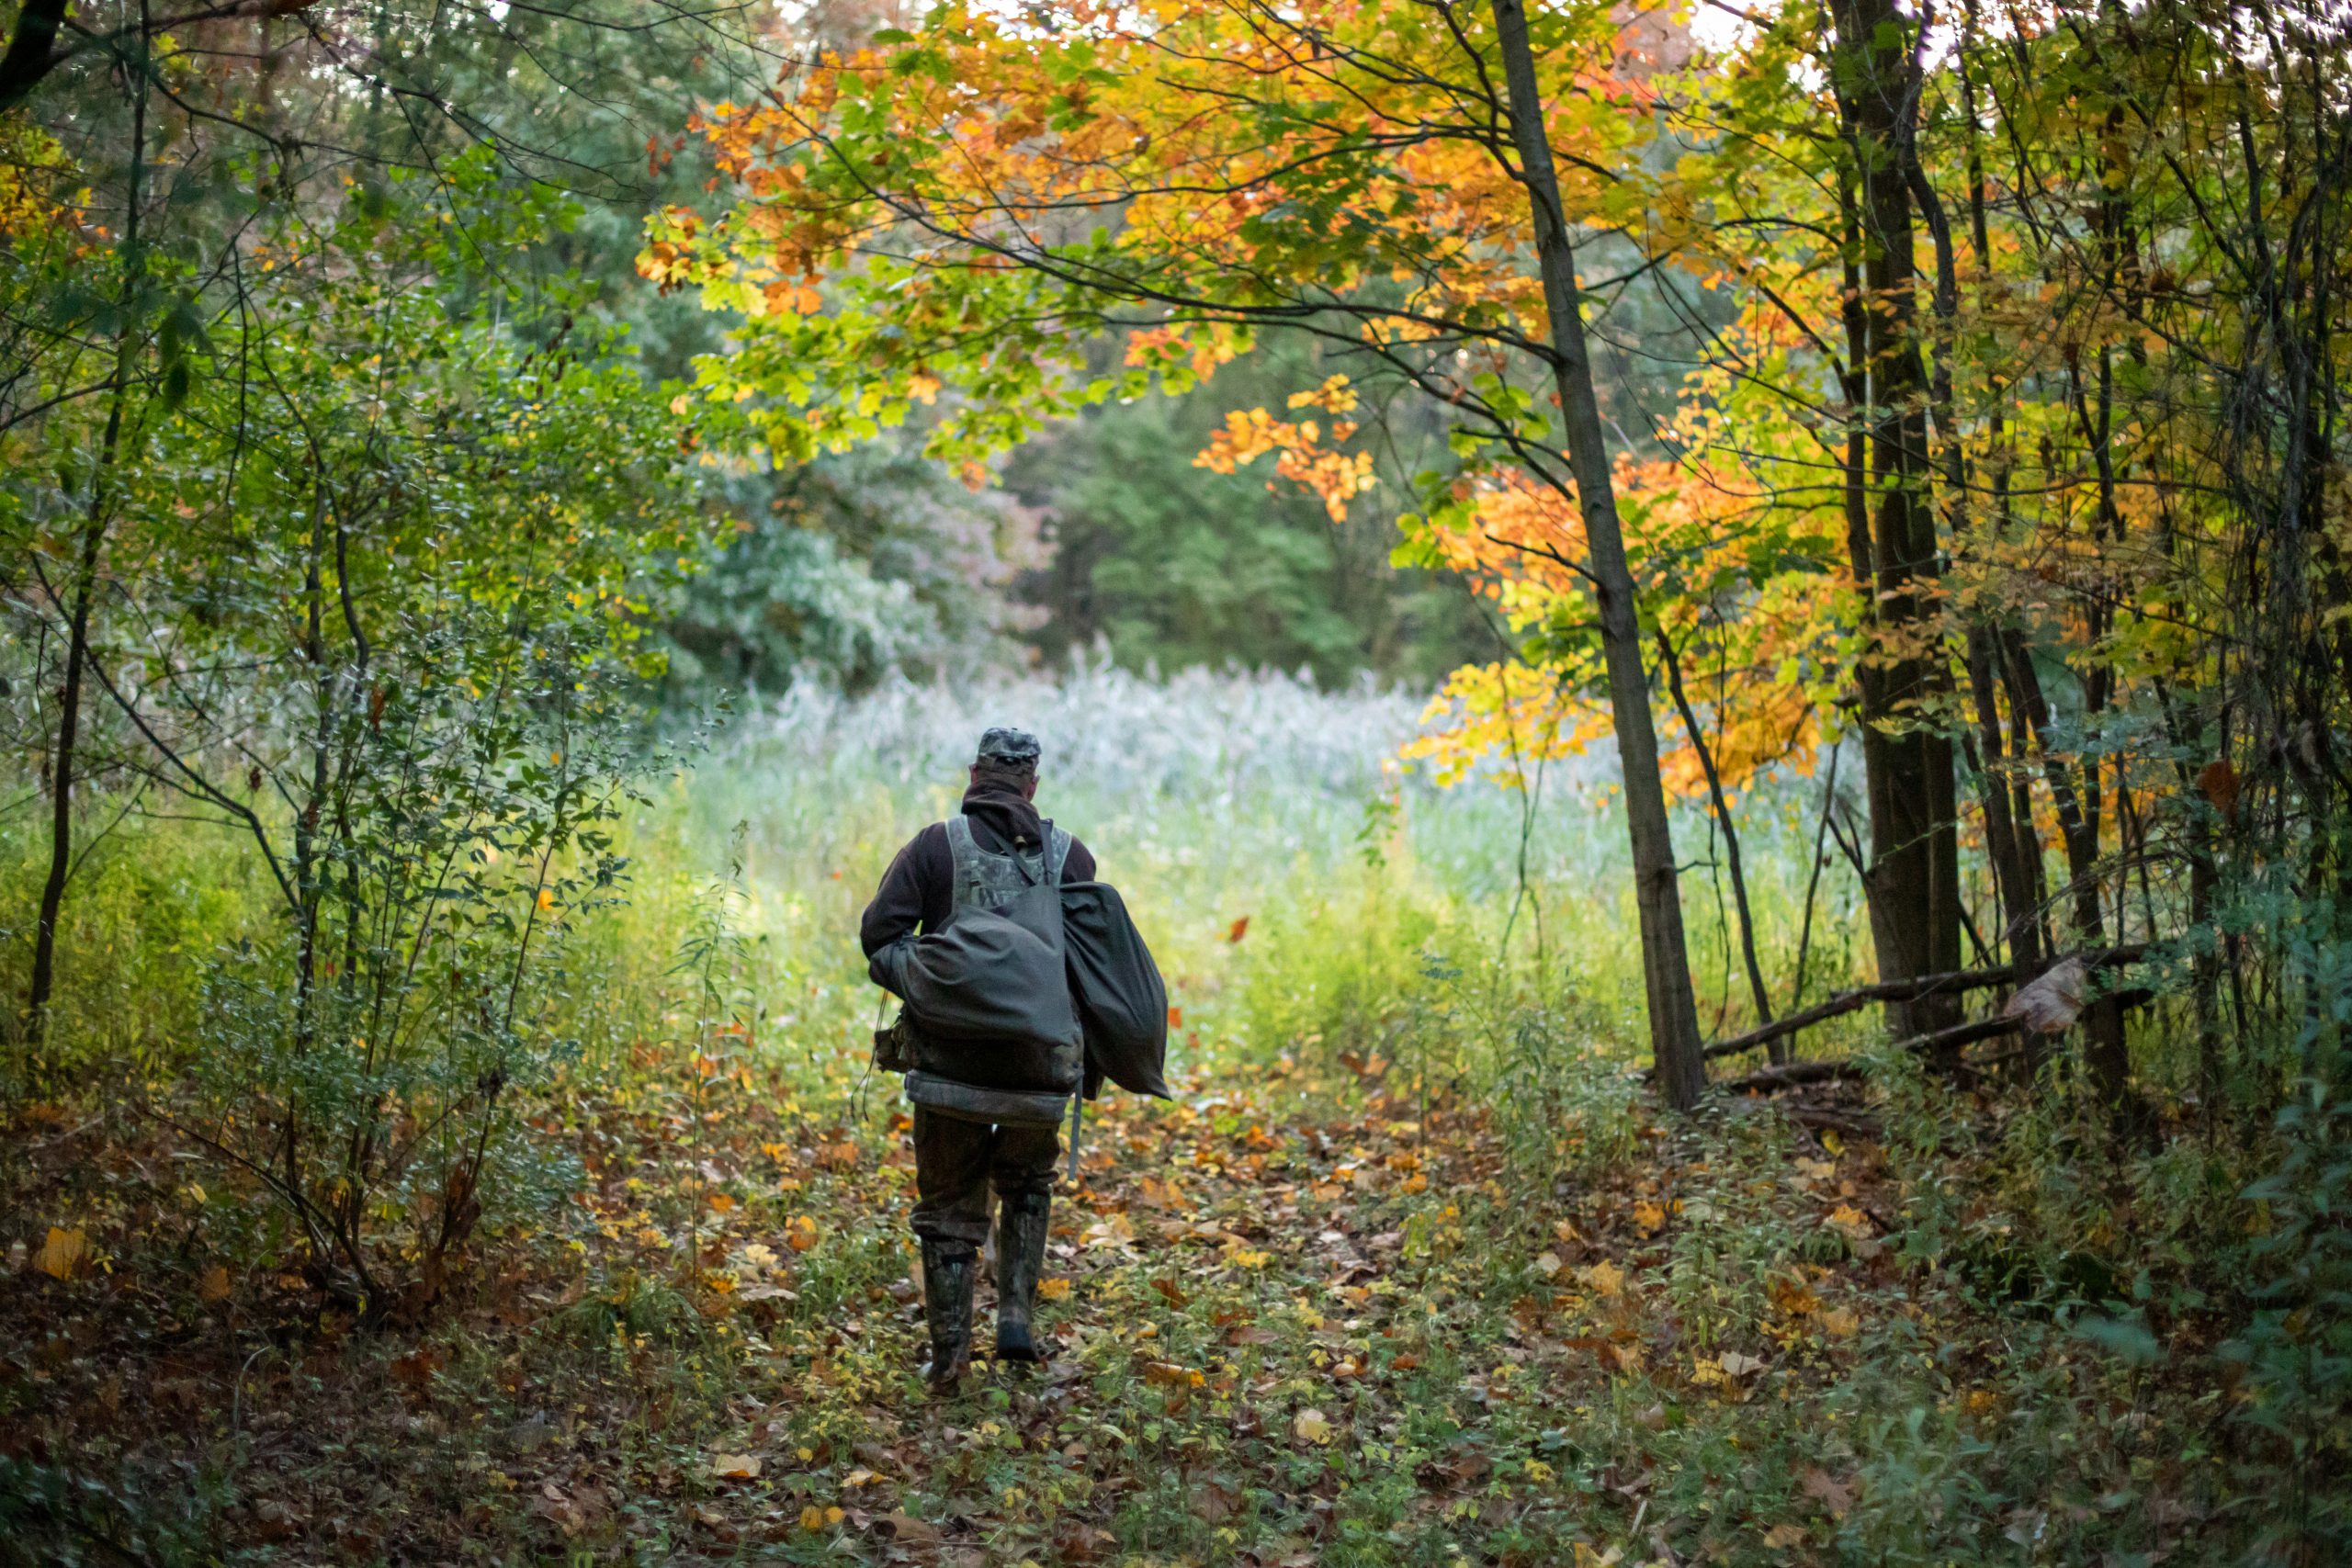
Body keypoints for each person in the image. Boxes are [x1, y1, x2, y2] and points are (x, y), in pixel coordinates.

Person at [860, 727, 1097, 1393]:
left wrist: (928, 982)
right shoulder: (1070, 857)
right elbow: (1090, 963)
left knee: (947, 1209)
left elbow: (877, 935)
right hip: (1037, 1072)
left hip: (948, 1070)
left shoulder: (937, 847)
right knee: (1026, 1182)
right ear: (1032, 785)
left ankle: (949, 1360)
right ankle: (1016, 1315)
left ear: (974, 774)